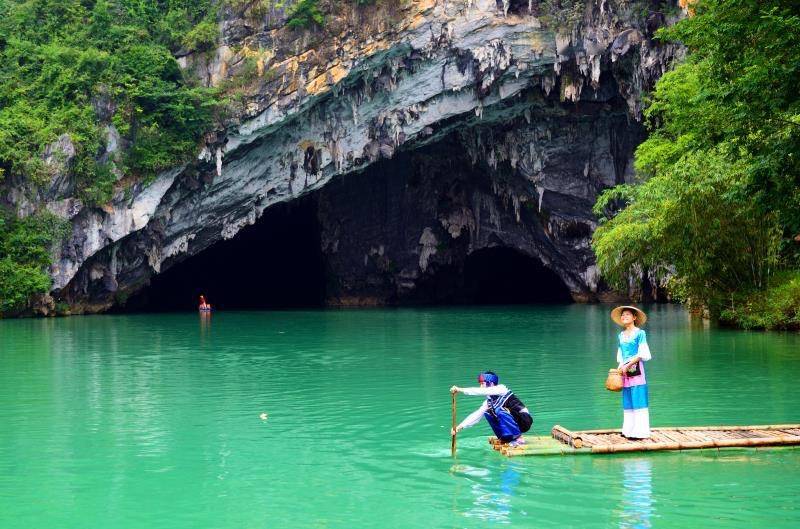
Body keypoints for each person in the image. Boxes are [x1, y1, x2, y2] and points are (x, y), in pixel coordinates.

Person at [450, 371, 532, 447]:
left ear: (491, 383)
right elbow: (476, 415)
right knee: (487, 413)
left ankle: (518, 438)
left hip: (524, 420)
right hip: (515, 420)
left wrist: (460, 389)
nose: (481, 386)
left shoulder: (501, 389)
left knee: (500, 411)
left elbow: (479, 391)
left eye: (482, 384)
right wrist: (459, 427)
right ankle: (505, 438)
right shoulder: (488, 402)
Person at [611, 305, 652, 439]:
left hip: (636, 368)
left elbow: (642, 353)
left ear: (634, 318)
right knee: (627, 398)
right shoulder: (621, 335)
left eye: (627, 314)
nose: (624, 317)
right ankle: (628, 430)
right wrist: (620, 366)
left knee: (638, 397)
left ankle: (641, 431)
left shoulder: (640, 333)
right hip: (624, 370)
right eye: (623, 315)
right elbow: (621, 355)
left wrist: (628, 365)